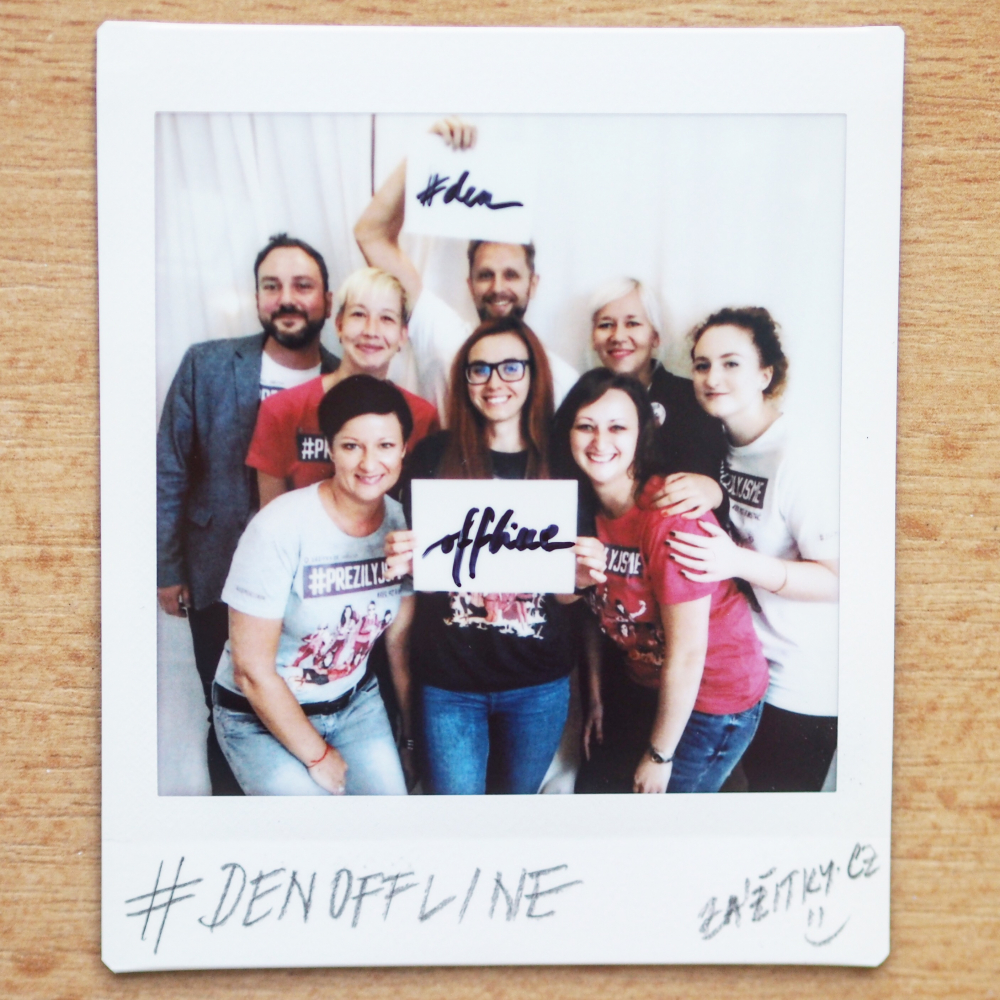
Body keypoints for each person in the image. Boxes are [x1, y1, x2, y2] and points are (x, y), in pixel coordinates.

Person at [157, 233, 341, 795]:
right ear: (257, 297)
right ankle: (230, 826)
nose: (287, 298)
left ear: (327, 301)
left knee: (310, 710)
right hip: (219, 573)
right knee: (229, 710)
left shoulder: (349, 380)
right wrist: (169, 568)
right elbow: (170, 467)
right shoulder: (206, 365)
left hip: (318, 589)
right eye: (272, 286)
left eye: (302, 286)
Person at [383, 318, 595, 795]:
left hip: (537, 684)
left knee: (514, 811)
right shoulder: (433, 455)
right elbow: (415, 568)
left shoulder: (564, 461)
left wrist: (581, 580)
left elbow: (565, 595)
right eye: (479, 369)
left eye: (510, 367)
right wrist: (402, 555)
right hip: (449, 685)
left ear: (534, 374)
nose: (494, 381)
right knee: (457, 818)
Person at [552, 368, 770, 793]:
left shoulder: (669, 515)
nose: (600, 441)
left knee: (662, 817)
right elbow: (572, 603)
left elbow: (688, 653)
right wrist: (595, 698)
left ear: (641, 435)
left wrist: (659, 755)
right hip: (651, 687)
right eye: (586, 426)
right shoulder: (582, 508)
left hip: (715, 697)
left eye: (617, 427)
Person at [212, 376, 414, 796]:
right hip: (257, 715)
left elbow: (400, 643)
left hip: (355, 706)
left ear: (403, 450)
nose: (369, 463)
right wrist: (317, 756)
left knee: (391, 821)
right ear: (329, 449)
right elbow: (250, 671)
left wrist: (412, 738)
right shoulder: (279, 526)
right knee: (309, 826)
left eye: (385, 445)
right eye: (351, 446)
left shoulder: (403, 524)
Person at [667, 307, 840, 792]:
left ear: (766, 374)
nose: (712, 378)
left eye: (731, 363)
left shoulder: (799, 455)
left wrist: (736, 561)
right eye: (702, 365)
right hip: (741, 671)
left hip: (801, 683)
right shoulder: (712, 441)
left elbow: (839, 578)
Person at [353, 117, 580, 417]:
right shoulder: (444, 338)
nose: (498, 287)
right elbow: (371, 235)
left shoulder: (563, 381)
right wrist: (424, 156)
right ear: (470, 285)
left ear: (533, 284)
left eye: (511, 275)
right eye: (486, 275)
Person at [246, 266, 439, 508]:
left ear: (402, 335)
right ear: (339, 325)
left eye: (387, 318)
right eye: (358, 314)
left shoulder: (422, 416)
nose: (371, 331)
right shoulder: (281, 410)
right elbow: (271, 517)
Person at [587, 277, 728, 521]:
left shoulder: (691, 401)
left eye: (632, 323)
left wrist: (715, 492)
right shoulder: (581, 401)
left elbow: (706, 499)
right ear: (593, 338)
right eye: (606, 325)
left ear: (656, 336)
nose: (618, 336)